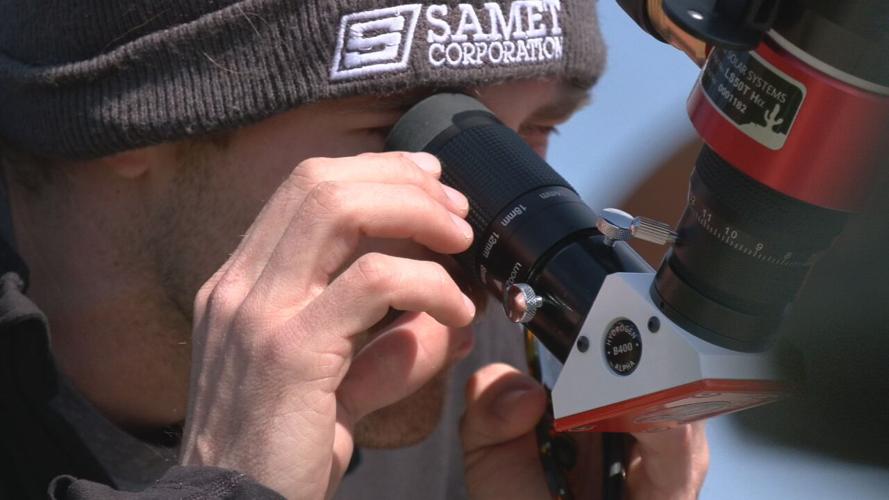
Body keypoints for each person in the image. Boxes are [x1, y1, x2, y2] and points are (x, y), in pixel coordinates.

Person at [0, 1, 709, 499]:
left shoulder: (497, 394)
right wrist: (230, 484)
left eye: (535, 132)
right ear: (136, 118)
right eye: (408, 129)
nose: (477, 244)